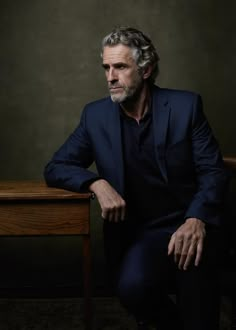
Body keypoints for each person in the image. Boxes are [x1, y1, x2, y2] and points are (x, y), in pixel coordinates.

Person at [44, 27, 228, 330]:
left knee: (200, 312)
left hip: (190, 222)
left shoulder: (186, 107)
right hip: (139, 233)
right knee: (132, 289)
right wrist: (96, 183)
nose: (110, 77)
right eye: (106, 67)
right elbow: (56, 166)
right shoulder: (95, 116)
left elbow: (212, 171)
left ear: (146, 69)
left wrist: (197, 220)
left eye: (120, 67)